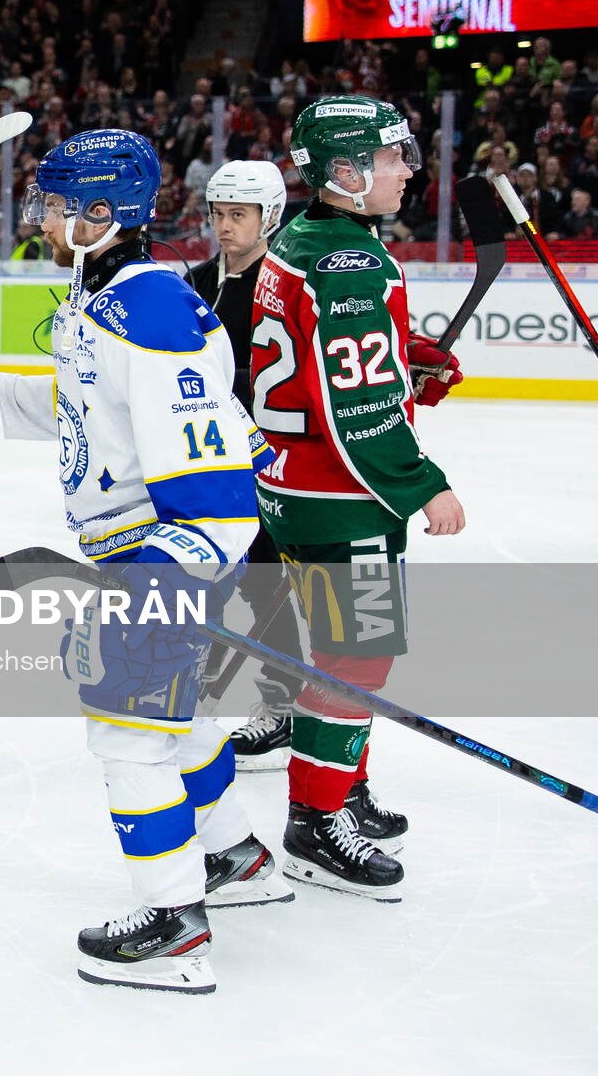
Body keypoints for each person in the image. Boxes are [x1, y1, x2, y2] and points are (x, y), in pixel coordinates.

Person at [0, 129, 288, 994]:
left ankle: (173, 922)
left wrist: (155, 586)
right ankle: (233, 856)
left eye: (55, 206)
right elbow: (102, 402)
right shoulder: (113, 296)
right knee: (180, 721)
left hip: (167, 555)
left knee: (128, 733)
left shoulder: (151, 310)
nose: (42, 220)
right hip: (152, 552)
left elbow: (214, 485)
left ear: (100, 212)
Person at [248, 95, 466, 899]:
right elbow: (359, 408)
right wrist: (423, 483)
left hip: (292, 488)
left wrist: (403, 357)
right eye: (392, 157)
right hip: (343, 498)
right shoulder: (353, 264)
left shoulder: (305, 241)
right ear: (344, 171)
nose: (408, 169)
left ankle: (343, 786)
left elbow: (321, 361)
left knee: (341, 654)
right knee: (358, 654)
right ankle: (315, 824)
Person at [185, 161, 306, 769]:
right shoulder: (196, 281)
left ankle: (282, 707)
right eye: (218, 214)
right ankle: (187, 686)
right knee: (199, 578)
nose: (225, 226)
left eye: (239, 215)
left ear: (270, 217)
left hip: (264, 462)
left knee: (265, 586)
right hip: (201, 460)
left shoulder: (281, 286)